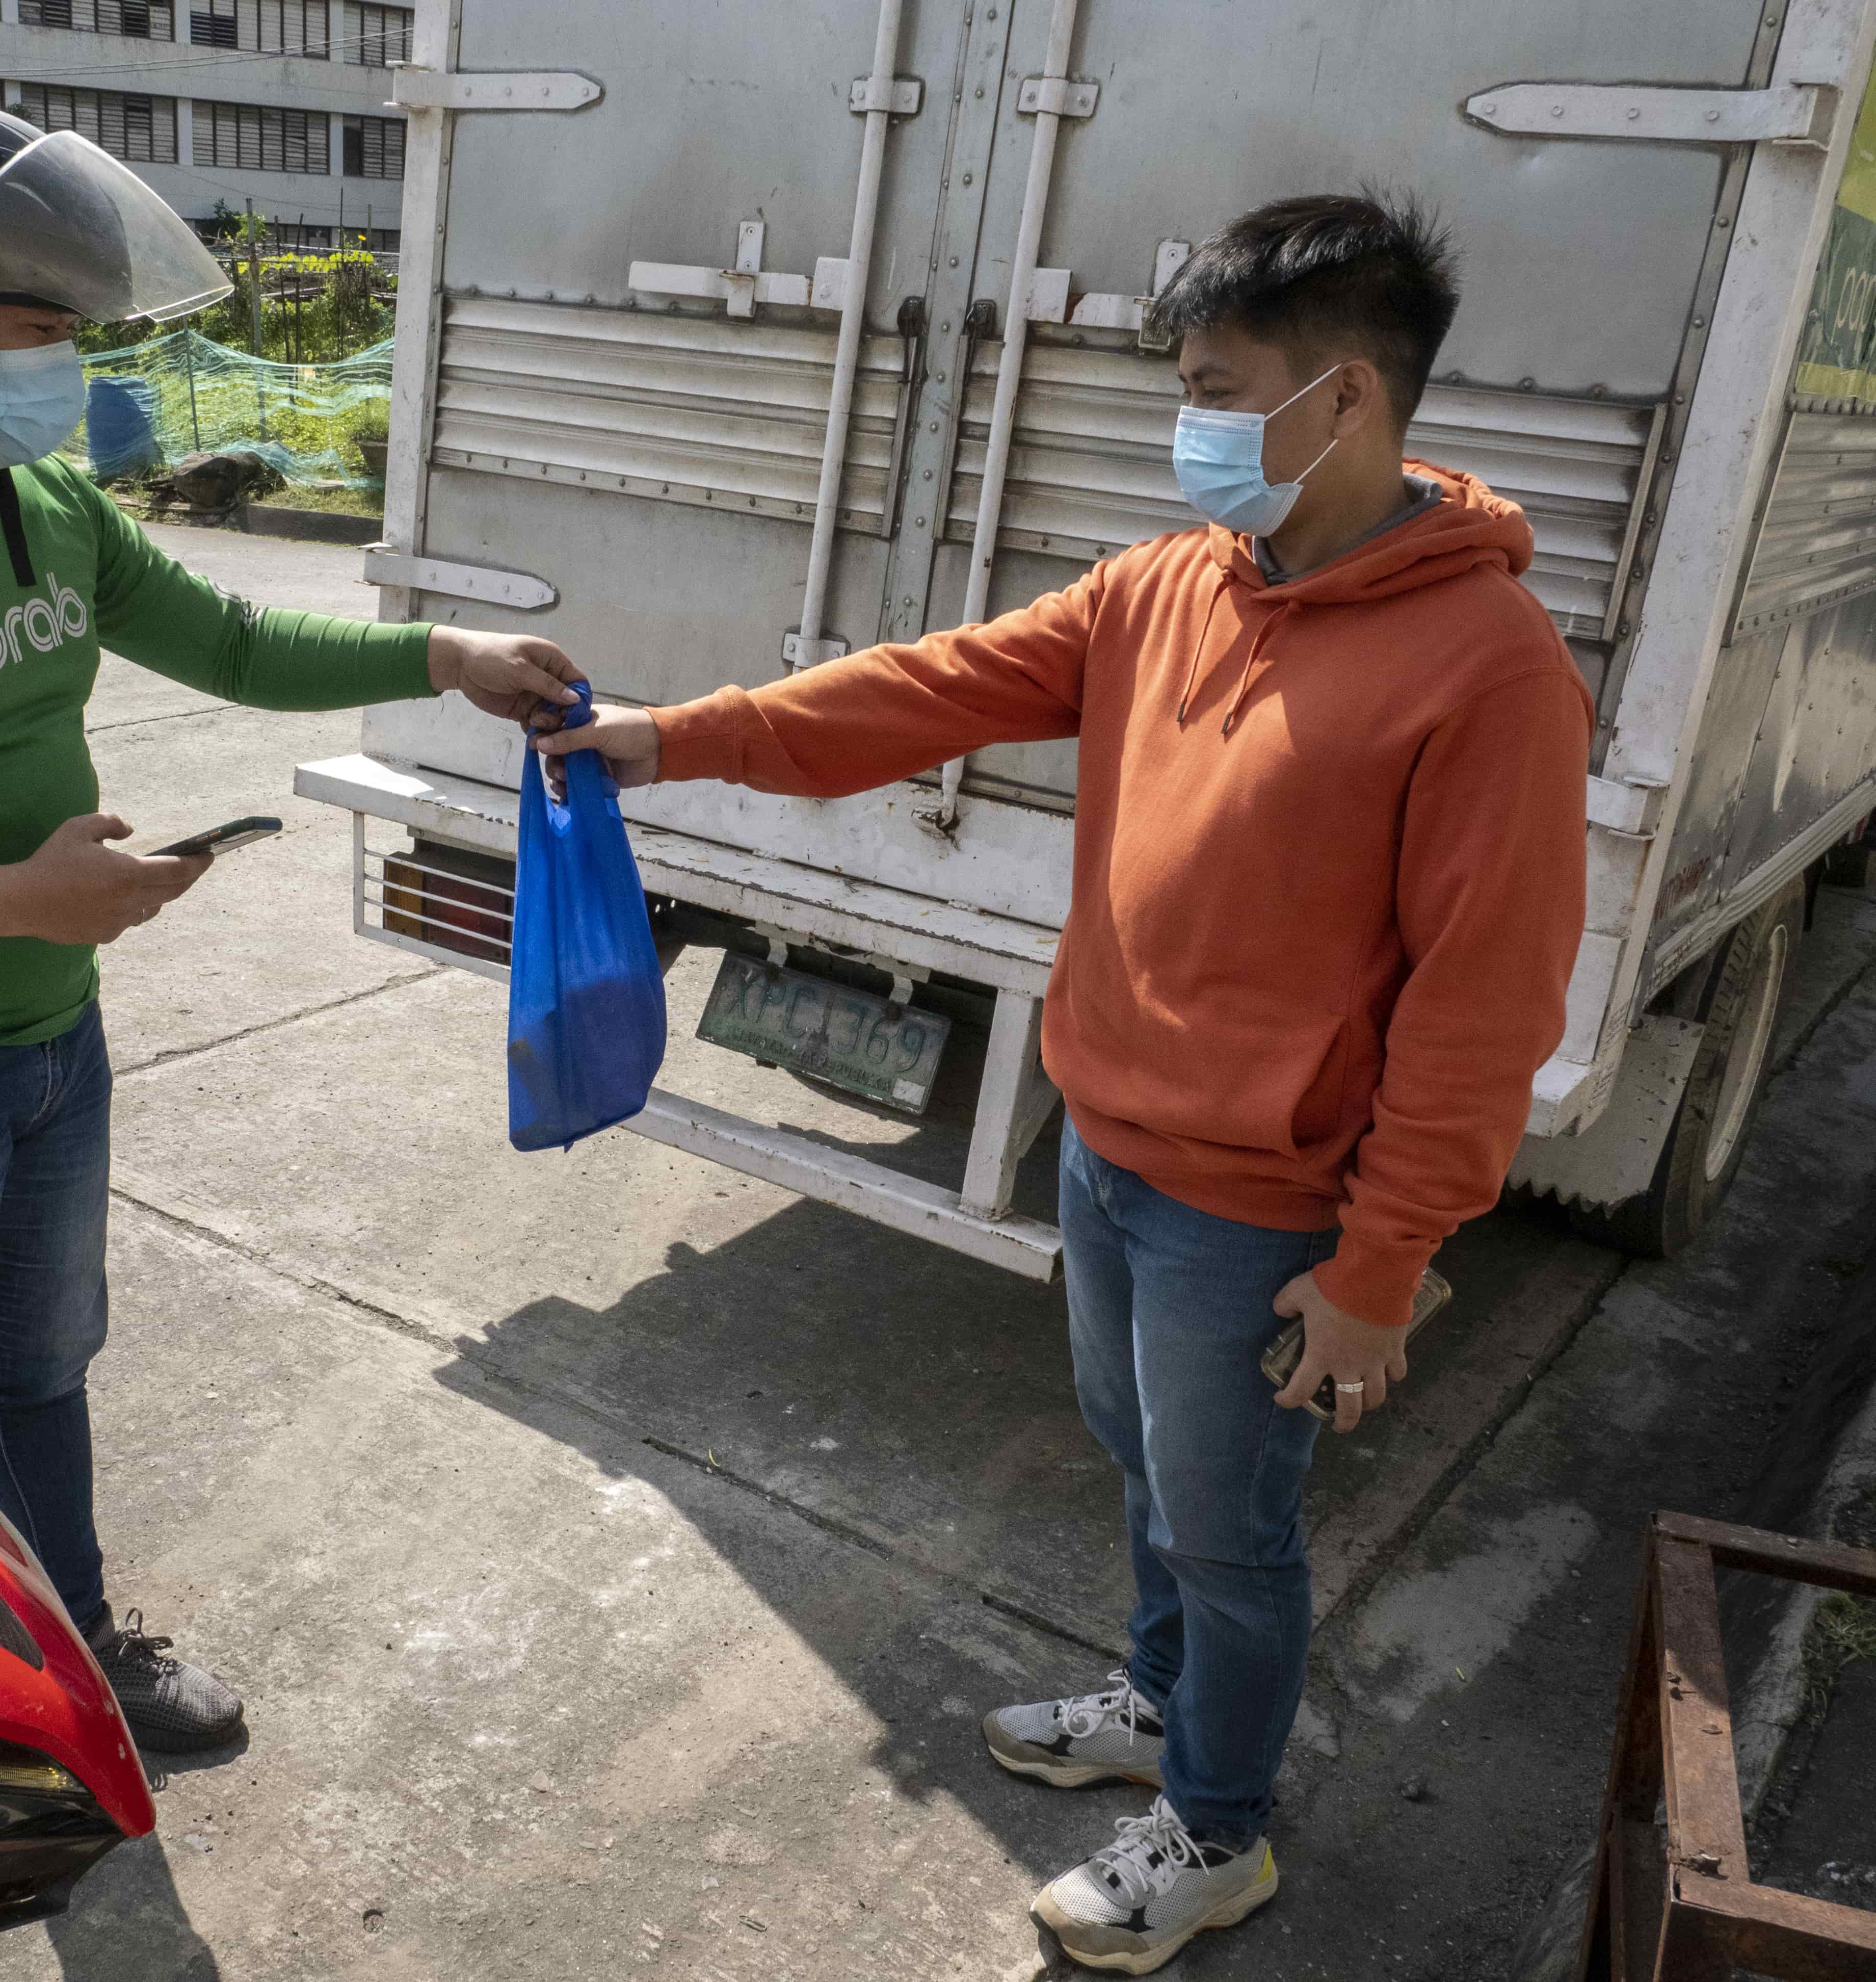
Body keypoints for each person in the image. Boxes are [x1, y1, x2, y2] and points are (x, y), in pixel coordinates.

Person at [535, 194, 1588, 1970]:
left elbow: (1485, 1013)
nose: (1186, 424)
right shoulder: (1171, 588)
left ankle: (1223, 1831)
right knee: (1146, 1467)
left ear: (1342, 399)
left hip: (1260, 1210)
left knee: (1235, 1531)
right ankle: (1161, 1704)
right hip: (1105, 1151)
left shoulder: (1489, 673)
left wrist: (1378, 1273)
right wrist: (675, 738)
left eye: (1214, 387)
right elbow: (929, 691)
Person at [0, 99, 579, 1750]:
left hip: (46, 1041)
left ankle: (71, 1647)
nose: (65, 367)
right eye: (41, 330)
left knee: (41, 1372)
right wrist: (25, 898)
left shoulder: (40, 498)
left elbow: (222, 637)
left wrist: (439, 656)